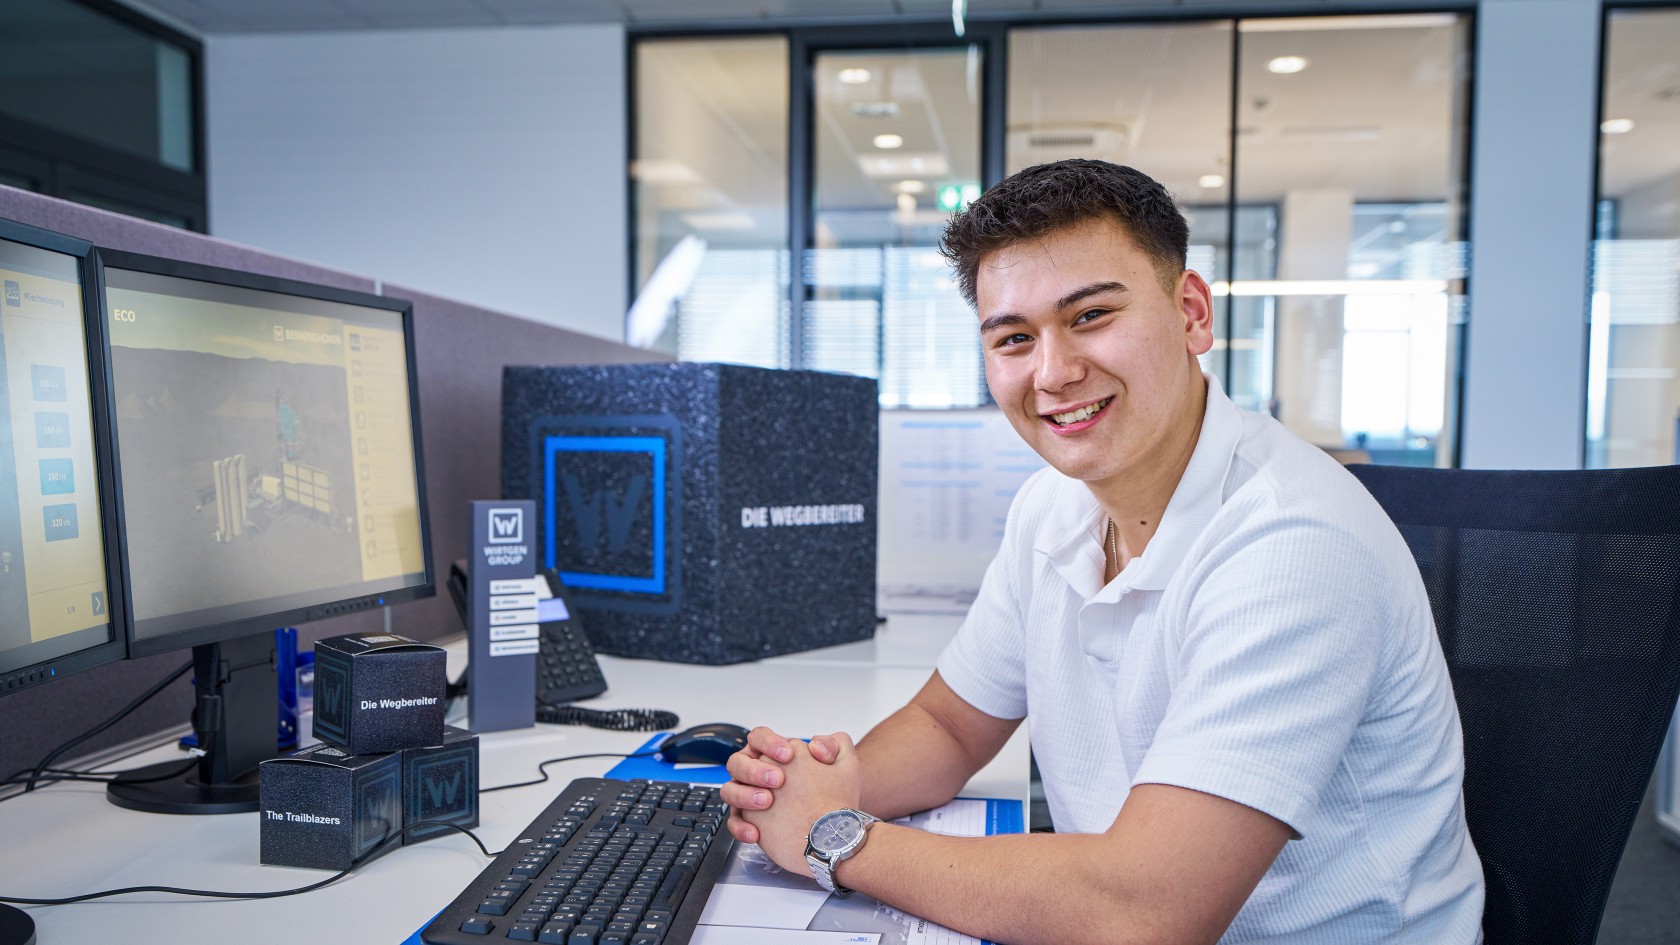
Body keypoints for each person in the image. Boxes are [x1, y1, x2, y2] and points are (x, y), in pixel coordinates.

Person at [722, 159, 1484, 944]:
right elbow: (949, 726)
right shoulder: (1050, 507)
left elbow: (1145, 913)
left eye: (1090, 315)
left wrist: (836, 839)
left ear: (1191, 314)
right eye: (1014, 338)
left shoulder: (1292, 543)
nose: (1053, 372)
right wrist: (820, 786)